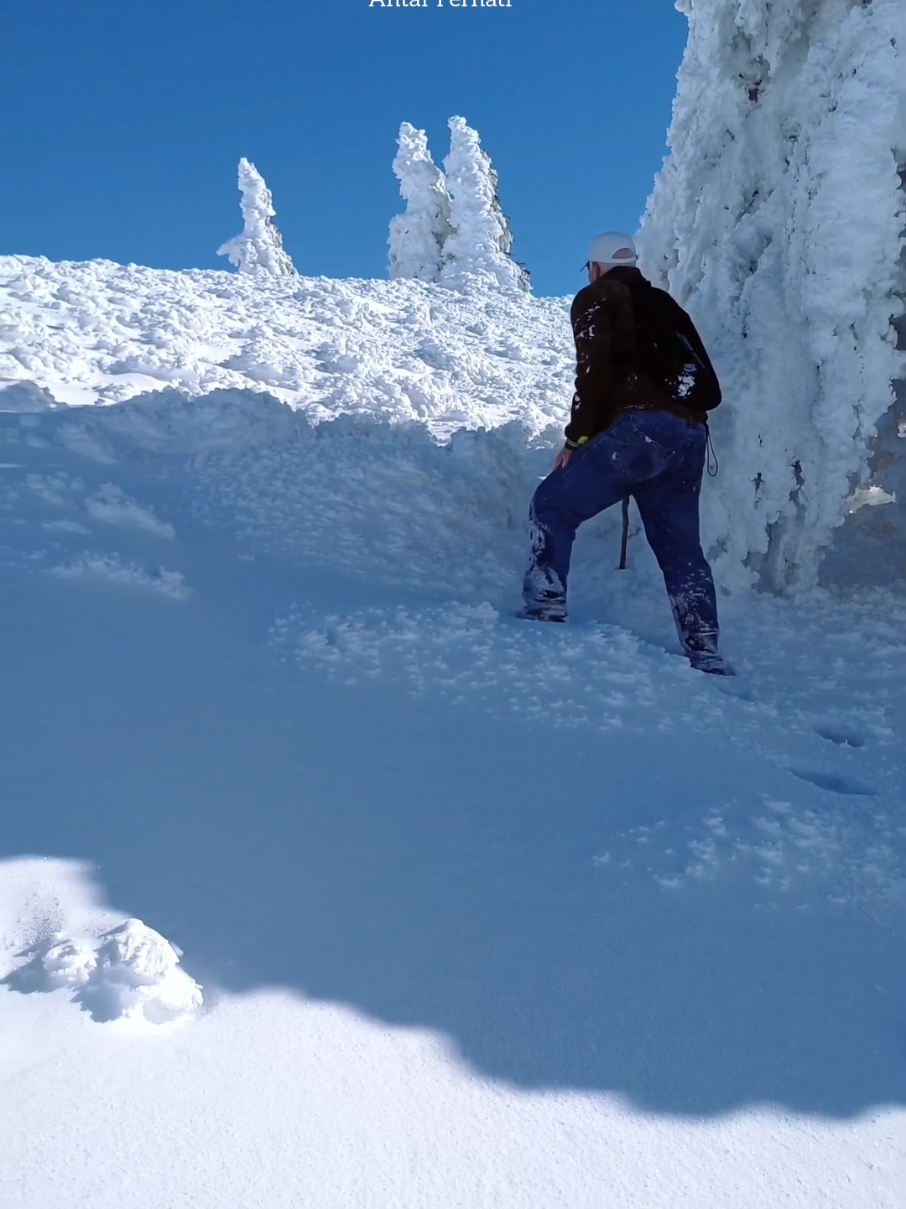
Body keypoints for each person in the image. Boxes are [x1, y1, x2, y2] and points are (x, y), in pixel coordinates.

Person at [521, 232, 729, 675]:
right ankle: (705, 652)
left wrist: (577, 438)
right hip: (690, 439)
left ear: (595, 267)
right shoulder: (666, 307)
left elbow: (592, 375)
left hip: (640, 431)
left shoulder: (598, 297)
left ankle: (544, 612)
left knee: (552, 505)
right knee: (681, 550)